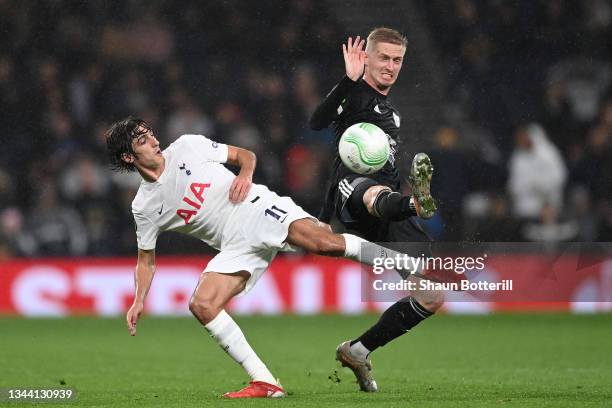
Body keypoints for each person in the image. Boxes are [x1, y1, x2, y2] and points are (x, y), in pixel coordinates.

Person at [106, 117, 421, 399]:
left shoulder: (188, 146)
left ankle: (402, 263)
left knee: (324, 244)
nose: (155, 142)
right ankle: (266, 382)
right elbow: (145, 260)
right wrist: (138, 300)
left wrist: (245, 173)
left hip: (255, 207)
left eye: (151, 135)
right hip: (234, 246)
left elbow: (246, 155)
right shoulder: (144, 206)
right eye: (143, 141)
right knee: (202, 304)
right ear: (128, 156)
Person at [310, 27, 444, 392]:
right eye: (383, 57)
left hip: (386, 207)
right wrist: (346, 81)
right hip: (354, 195)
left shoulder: (392, 113)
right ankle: (414, 203)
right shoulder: (354, 96)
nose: (390, 66)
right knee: (373, 191)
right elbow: (317, 122)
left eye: (396, 60)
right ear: (366, 57)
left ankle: (358, 350)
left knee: (431, 296)